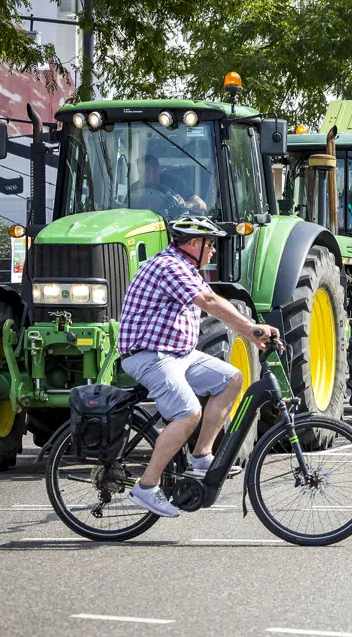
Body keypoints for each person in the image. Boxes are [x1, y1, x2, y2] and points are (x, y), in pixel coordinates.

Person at [119, 216, 278, 518]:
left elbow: (215, 299)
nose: (214, 250)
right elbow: (208, 301)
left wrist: (252, 331)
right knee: (188, 412)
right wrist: (251, 328)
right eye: (210, 244)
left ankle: (201, 456)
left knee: (231, 379)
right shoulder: (170, 267)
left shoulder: (186, 268)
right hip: (150, 355)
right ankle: (147, 486)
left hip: (178, 354)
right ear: (193, 244)